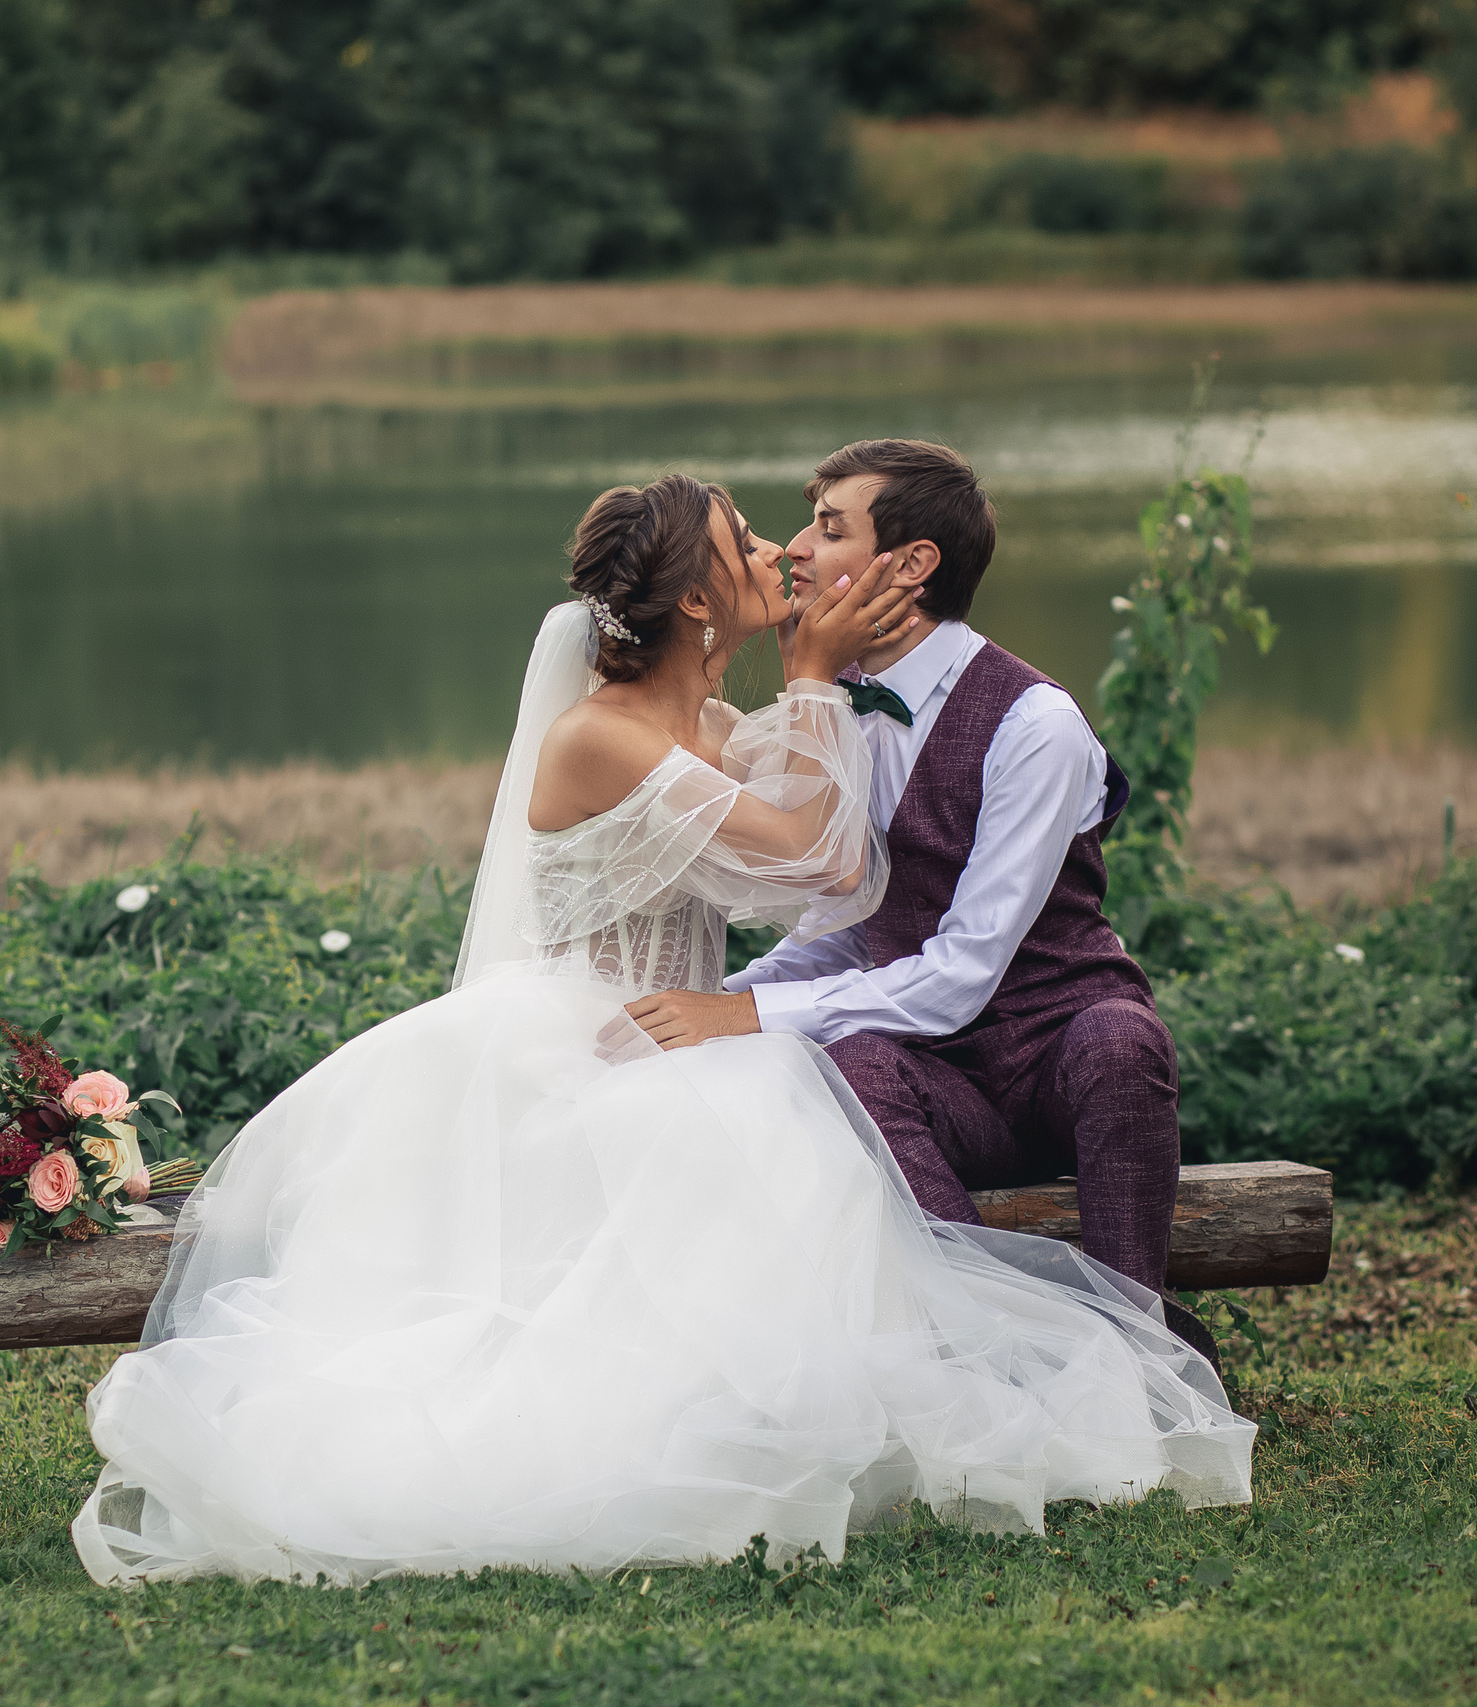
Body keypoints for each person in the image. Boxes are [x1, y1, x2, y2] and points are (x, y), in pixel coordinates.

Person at [71, 472, 1251, 1588]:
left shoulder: (717, 728)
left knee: (810, 1172)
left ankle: (1029, 1376)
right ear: (695, 598)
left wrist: (801, 712)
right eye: (746, 540)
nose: (777, 551)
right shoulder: (601, 734)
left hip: (682, 1028)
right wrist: (820, 681)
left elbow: (830, 890)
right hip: (591, 1035)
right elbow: (830, 858)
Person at [620, 440, 1211, 1360]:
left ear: (911, 563)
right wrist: (701, 1009)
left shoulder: (1034, 724)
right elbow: (842, 925)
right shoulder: (841, 705)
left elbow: (963, 971)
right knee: (854, 1064)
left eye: (828, 528)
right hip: (947, 1080)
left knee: (1120, 1040)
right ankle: (992, 1342)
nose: (795, 552)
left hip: (1061, 1052)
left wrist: (744, 1012)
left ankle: (1139, 1342)